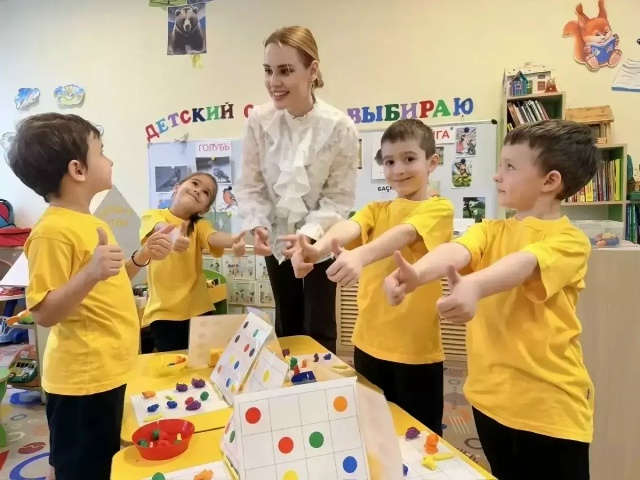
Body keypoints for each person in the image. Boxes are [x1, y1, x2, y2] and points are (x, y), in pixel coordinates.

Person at [384, 119, 599, 480]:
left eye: (509, 167)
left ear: (550, 181)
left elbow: (526, 263)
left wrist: (475, 285)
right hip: (489, 400)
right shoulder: (490, 228)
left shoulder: (570, 240)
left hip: (548, 408)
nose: (497, 175)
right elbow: (457, 251)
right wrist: (417, 274)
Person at [6, 113, 175, 480]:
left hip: (111, 369)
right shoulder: (52, 231)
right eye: (101, 152)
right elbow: (44, 312)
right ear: (78, 169)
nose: (109, 160)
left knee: (105, 461)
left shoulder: (93, 222)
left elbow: (109, 282)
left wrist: (140, 257)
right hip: (83, 381)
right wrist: (90, 272)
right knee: (84, 468)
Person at [290, 119, 453, 434]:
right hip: (366, 343)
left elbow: (405, 233)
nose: (398, 169)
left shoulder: (439, 208)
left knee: (419, 434)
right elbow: (348, 226)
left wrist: (360, 256)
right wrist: (315, 249)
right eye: (389, 162)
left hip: (414, 350)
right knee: (372, 428)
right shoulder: (376, 208)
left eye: (409, 159)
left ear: (432, 162)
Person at [236, 26, 359, 353]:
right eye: (268, 71)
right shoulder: (258, 120)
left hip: (320, 238)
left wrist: (308, 235)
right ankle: (287, 380)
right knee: (286, 320)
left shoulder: (339, 127)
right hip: (277, 238)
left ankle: (323, 381)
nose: (274, 82)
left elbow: (338, 197)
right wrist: (258, 223)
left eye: (286, 70)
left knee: (320, 324)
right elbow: (251, 182)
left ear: (312, 70)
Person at [140, 172, 246, 352]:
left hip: (199, 311)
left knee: (202, 363)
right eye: (195, 184)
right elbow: (160, 228)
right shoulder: (152, 215)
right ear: (176, 188)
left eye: (206, 192)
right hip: (163, 314)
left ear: (204, 209)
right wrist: (174, 237)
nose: (198, 191)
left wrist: (233, 240)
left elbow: (213, 237)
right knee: (175, 364)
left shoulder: (199, 225)